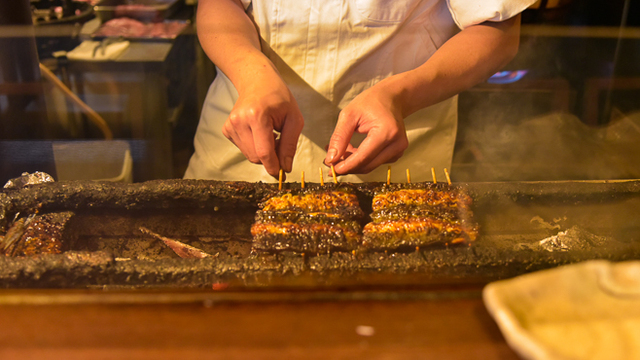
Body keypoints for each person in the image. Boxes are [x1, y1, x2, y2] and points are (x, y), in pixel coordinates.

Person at [185, 0, 536, 183]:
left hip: (393, 167)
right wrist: (251, 74)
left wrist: (400, 96)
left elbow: (498, 28)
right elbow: (219, 3)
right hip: (242, 155)